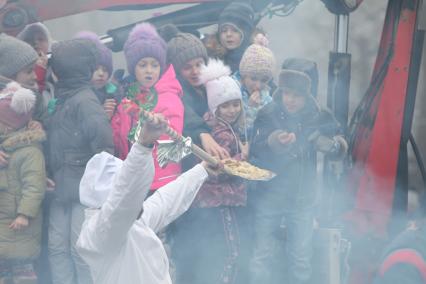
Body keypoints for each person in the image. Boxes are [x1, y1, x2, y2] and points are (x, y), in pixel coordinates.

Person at [76, 112, 216, 284]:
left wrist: (201, 170)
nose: (137, 198)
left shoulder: (132, 222)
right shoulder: (100, 232)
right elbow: (125, 196)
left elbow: (164, 202)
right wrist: (142, 145)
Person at [249, 59, 348, 284]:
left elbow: (341, 143)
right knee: (261, 257)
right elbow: (255, 149)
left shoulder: (319, 115)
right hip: (270, 195)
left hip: (303, 199)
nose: (290, 100)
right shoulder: (268, 112)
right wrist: (275, 141)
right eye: (287, 93)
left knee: (301, 259)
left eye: (297, 95)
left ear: (308, 94)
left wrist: (331, 145)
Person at [173, 59, 249, 284]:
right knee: (231, 253)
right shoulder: (219, 132)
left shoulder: (225, 128)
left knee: (221, 253)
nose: (232, 110)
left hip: (221, 202)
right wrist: (244, 156)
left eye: (235, 104)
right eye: (225, 106)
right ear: (215, 107)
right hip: (218, 202)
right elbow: (220, 169)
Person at [46, 38, 114, 284]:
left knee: (79, 250)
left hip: (82, 190)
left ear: (61, 71)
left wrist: (98, 191)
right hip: (59, 186)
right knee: (57, 248)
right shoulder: (64, 99)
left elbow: (104, 147)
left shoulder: (84, 101)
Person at [111, 22, 183, 190]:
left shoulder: (168, 97)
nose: (149, 70)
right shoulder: (128, 99)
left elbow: (168, 145)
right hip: (134, 181)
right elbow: (119, 141)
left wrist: (139, 116)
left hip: (161, 182)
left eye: (155, 65)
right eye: (143, 65)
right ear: (133, 69)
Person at [161, 24, 231, 168]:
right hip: (193, 161)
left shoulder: (212, 84)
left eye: (199, 64)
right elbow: (185, 112)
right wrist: (202, 133)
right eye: (187, 67)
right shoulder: (177, 91)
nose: (195, 71)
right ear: (177, 71)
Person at [0, 82, 46, 284]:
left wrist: (24, 213)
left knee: (22, 273)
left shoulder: (29, 151)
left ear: (9, 124)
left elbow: (35, 185)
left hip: (19, 224)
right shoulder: (6, 147)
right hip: (5, 222)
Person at [233, 33, 275, 141]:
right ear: (243, 74)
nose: (258, 85)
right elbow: (238, 132)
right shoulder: (231, 91)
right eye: (253, 78)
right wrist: (250, 108)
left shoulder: (267, 97)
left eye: (264, 80)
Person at [74, 31, 121, 120]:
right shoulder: (78, 97)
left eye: (105, 70)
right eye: (95, 69)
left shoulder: (115, 94)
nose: (101, 73)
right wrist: (100, 113)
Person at [206, 2, 255, 73]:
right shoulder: (211, 59)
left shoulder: (254, 59)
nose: (228, 34)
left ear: (245, 34)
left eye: (235, 30)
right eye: (224, 30)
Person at [17, 22, 52, 94]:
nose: (35, 42)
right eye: (29, 40)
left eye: (41, 39)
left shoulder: (57, 64)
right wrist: (39, 70)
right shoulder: (17, 67)